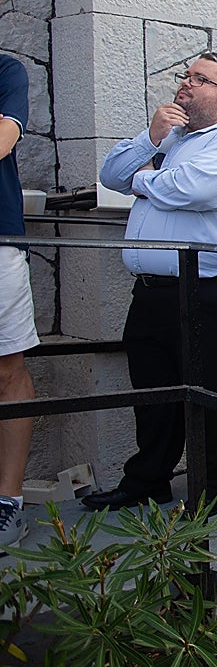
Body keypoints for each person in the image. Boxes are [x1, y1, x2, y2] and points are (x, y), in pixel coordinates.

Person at [83, 52, 217, 515]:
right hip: (153, 288)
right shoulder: (170, 138)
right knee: (152, 390)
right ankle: (148, 481)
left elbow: (193, 190)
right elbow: (111, 176)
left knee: (211, 389)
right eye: (185, 75)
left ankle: (214, 485)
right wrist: (150, 139)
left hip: (212, 285)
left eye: (199, 79)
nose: (185, 83)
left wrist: (144, 179)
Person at [0, 54, 38, 552]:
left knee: (8, 368)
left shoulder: (6, 70)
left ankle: (8, 500)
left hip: (1, 241)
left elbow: (3, 140)